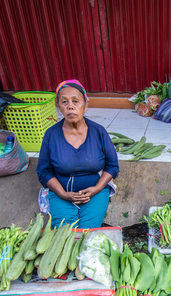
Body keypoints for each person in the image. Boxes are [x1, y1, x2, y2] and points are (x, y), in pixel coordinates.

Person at [37, 79, 119, 229]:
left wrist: (97, 188)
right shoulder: (51, 135)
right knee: (63, 233)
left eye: (76, 101)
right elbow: (44, 171)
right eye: (64, 102)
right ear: (59, 106)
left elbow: (112, 165)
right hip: (61, 193)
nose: (70, 107)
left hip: (94, 192)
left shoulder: (98, 131)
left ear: (85, 105)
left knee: (87, 232)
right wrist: (63, 194)